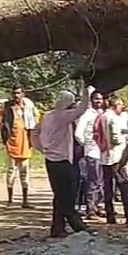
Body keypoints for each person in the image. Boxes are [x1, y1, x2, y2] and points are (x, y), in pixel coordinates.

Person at [37, 87, 95, 238]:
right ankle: (78, 226)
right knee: (68, 196)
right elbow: (82, 109)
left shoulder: (47, 116)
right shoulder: (62, 116)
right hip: (62, 161)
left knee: (59, 196)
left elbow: (34, 132)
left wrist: (42, 147)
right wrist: (87, 91)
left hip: (50, 160)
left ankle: (57, 228)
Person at [0, 86, 41, 208]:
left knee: (25, 172)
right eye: (14, 93)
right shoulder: (7, 107)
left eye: (18, 93)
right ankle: (10, 201)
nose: (16, 96)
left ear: (23, 94)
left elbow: (37, 118)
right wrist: (2, 128)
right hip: (11, 142)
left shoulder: (29, 107)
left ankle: (25, 201)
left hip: (26, 142)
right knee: (11, 171)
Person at [97, 94, 128, 223]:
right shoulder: (113, 118)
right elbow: (115, 137)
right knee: (124, 184)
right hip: (116, 155)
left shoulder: (102, 116)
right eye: (120, 105)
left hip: (104, 155)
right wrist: (125, 139)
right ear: (115, 105)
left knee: (108, 187)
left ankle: (110, 216)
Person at [74, 91, 106, 218]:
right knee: (92, 181)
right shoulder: (87, 115)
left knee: (101, 181)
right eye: (96, 99)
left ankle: (99, 205)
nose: (98, 101)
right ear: (91, 100)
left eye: (100, 99)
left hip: (103, 152)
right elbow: (78, 133)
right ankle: (90, 207)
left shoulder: (104, 114)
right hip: (92, 151)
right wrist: (86, 145)